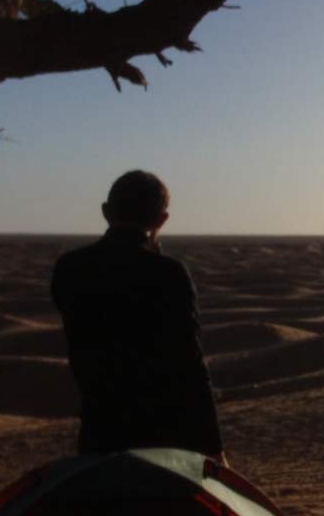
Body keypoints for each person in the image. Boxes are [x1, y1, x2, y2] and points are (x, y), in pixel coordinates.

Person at [51, 170, 225, 459]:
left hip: (99, 435)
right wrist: (214, 449)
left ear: (106, 212)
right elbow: (190, 365)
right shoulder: (168, 274)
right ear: (161, 220)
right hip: (166, 441)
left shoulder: (70, 268)